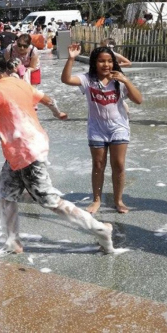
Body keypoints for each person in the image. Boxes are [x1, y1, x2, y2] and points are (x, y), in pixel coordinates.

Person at [0, 49, 116, 254]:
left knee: (49, 200)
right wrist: (58, 112)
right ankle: (12, 242)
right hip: (25, 149)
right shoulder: (20, 83)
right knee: (5, 194)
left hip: (25, 152)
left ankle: (100, 229)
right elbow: (47, 99)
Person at [61, 44, 143, 214]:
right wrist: (71, 58)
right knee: (98, 165)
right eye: (101, 61)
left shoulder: (119, 80)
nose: (106, 65)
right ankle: (96, 199)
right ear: (94, 63)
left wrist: (126, 80)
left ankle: (118, 200)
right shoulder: (87, 79)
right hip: (96, 128)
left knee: (118, 164)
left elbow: (139, 100)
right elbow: (66, 79)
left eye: (109, 61)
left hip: (118, 127)